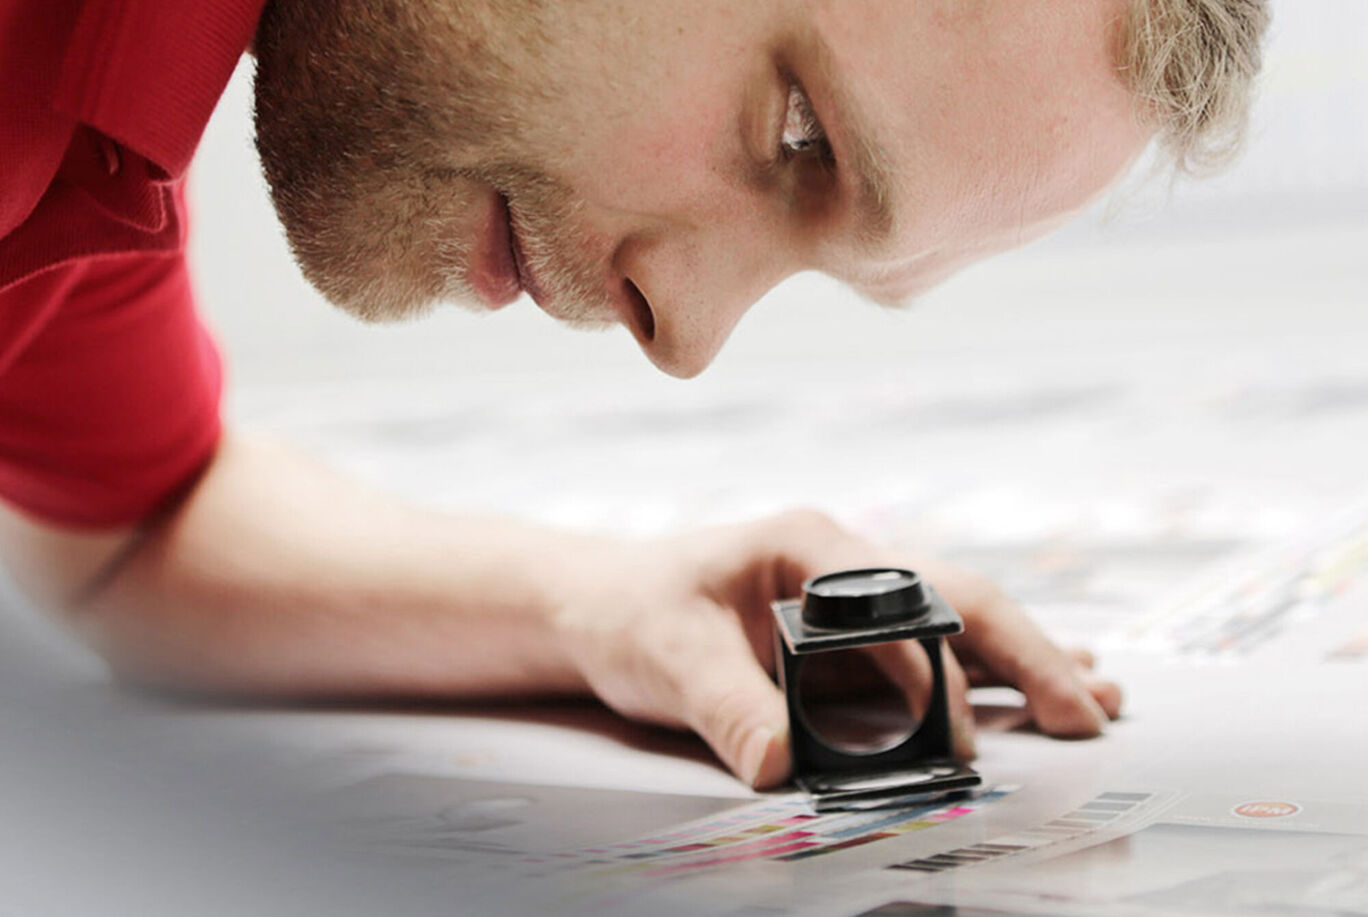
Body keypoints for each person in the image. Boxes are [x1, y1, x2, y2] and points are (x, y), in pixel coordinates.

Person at [0, 0, 1267, 789]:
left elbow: (131, 530)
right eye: (799, 134)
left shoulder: (78, 150)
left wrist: (597, 604)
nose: (688, 341)